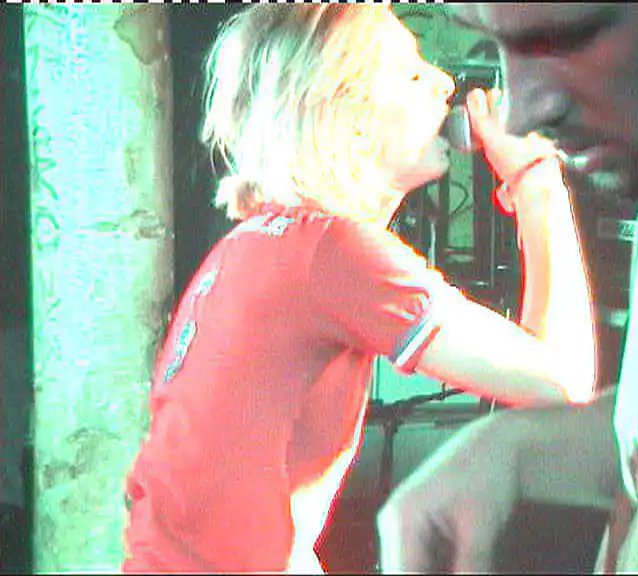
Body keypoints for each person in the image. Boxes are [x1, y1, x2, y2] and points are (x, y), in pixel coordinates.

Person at [122, 5, 598, 573]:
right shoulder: (333, 249)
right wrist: (536, 180)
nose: (445, 83)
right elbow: (563, 380)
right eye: (412, 73)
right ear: (349, 117)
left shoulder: (250, 247)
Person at [377, 3, 638, 573]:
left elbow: (560, 374)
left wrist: (534, 181)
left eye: (571, 35)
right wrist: (509, 451)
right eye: (493, 42)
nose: (518, 115)